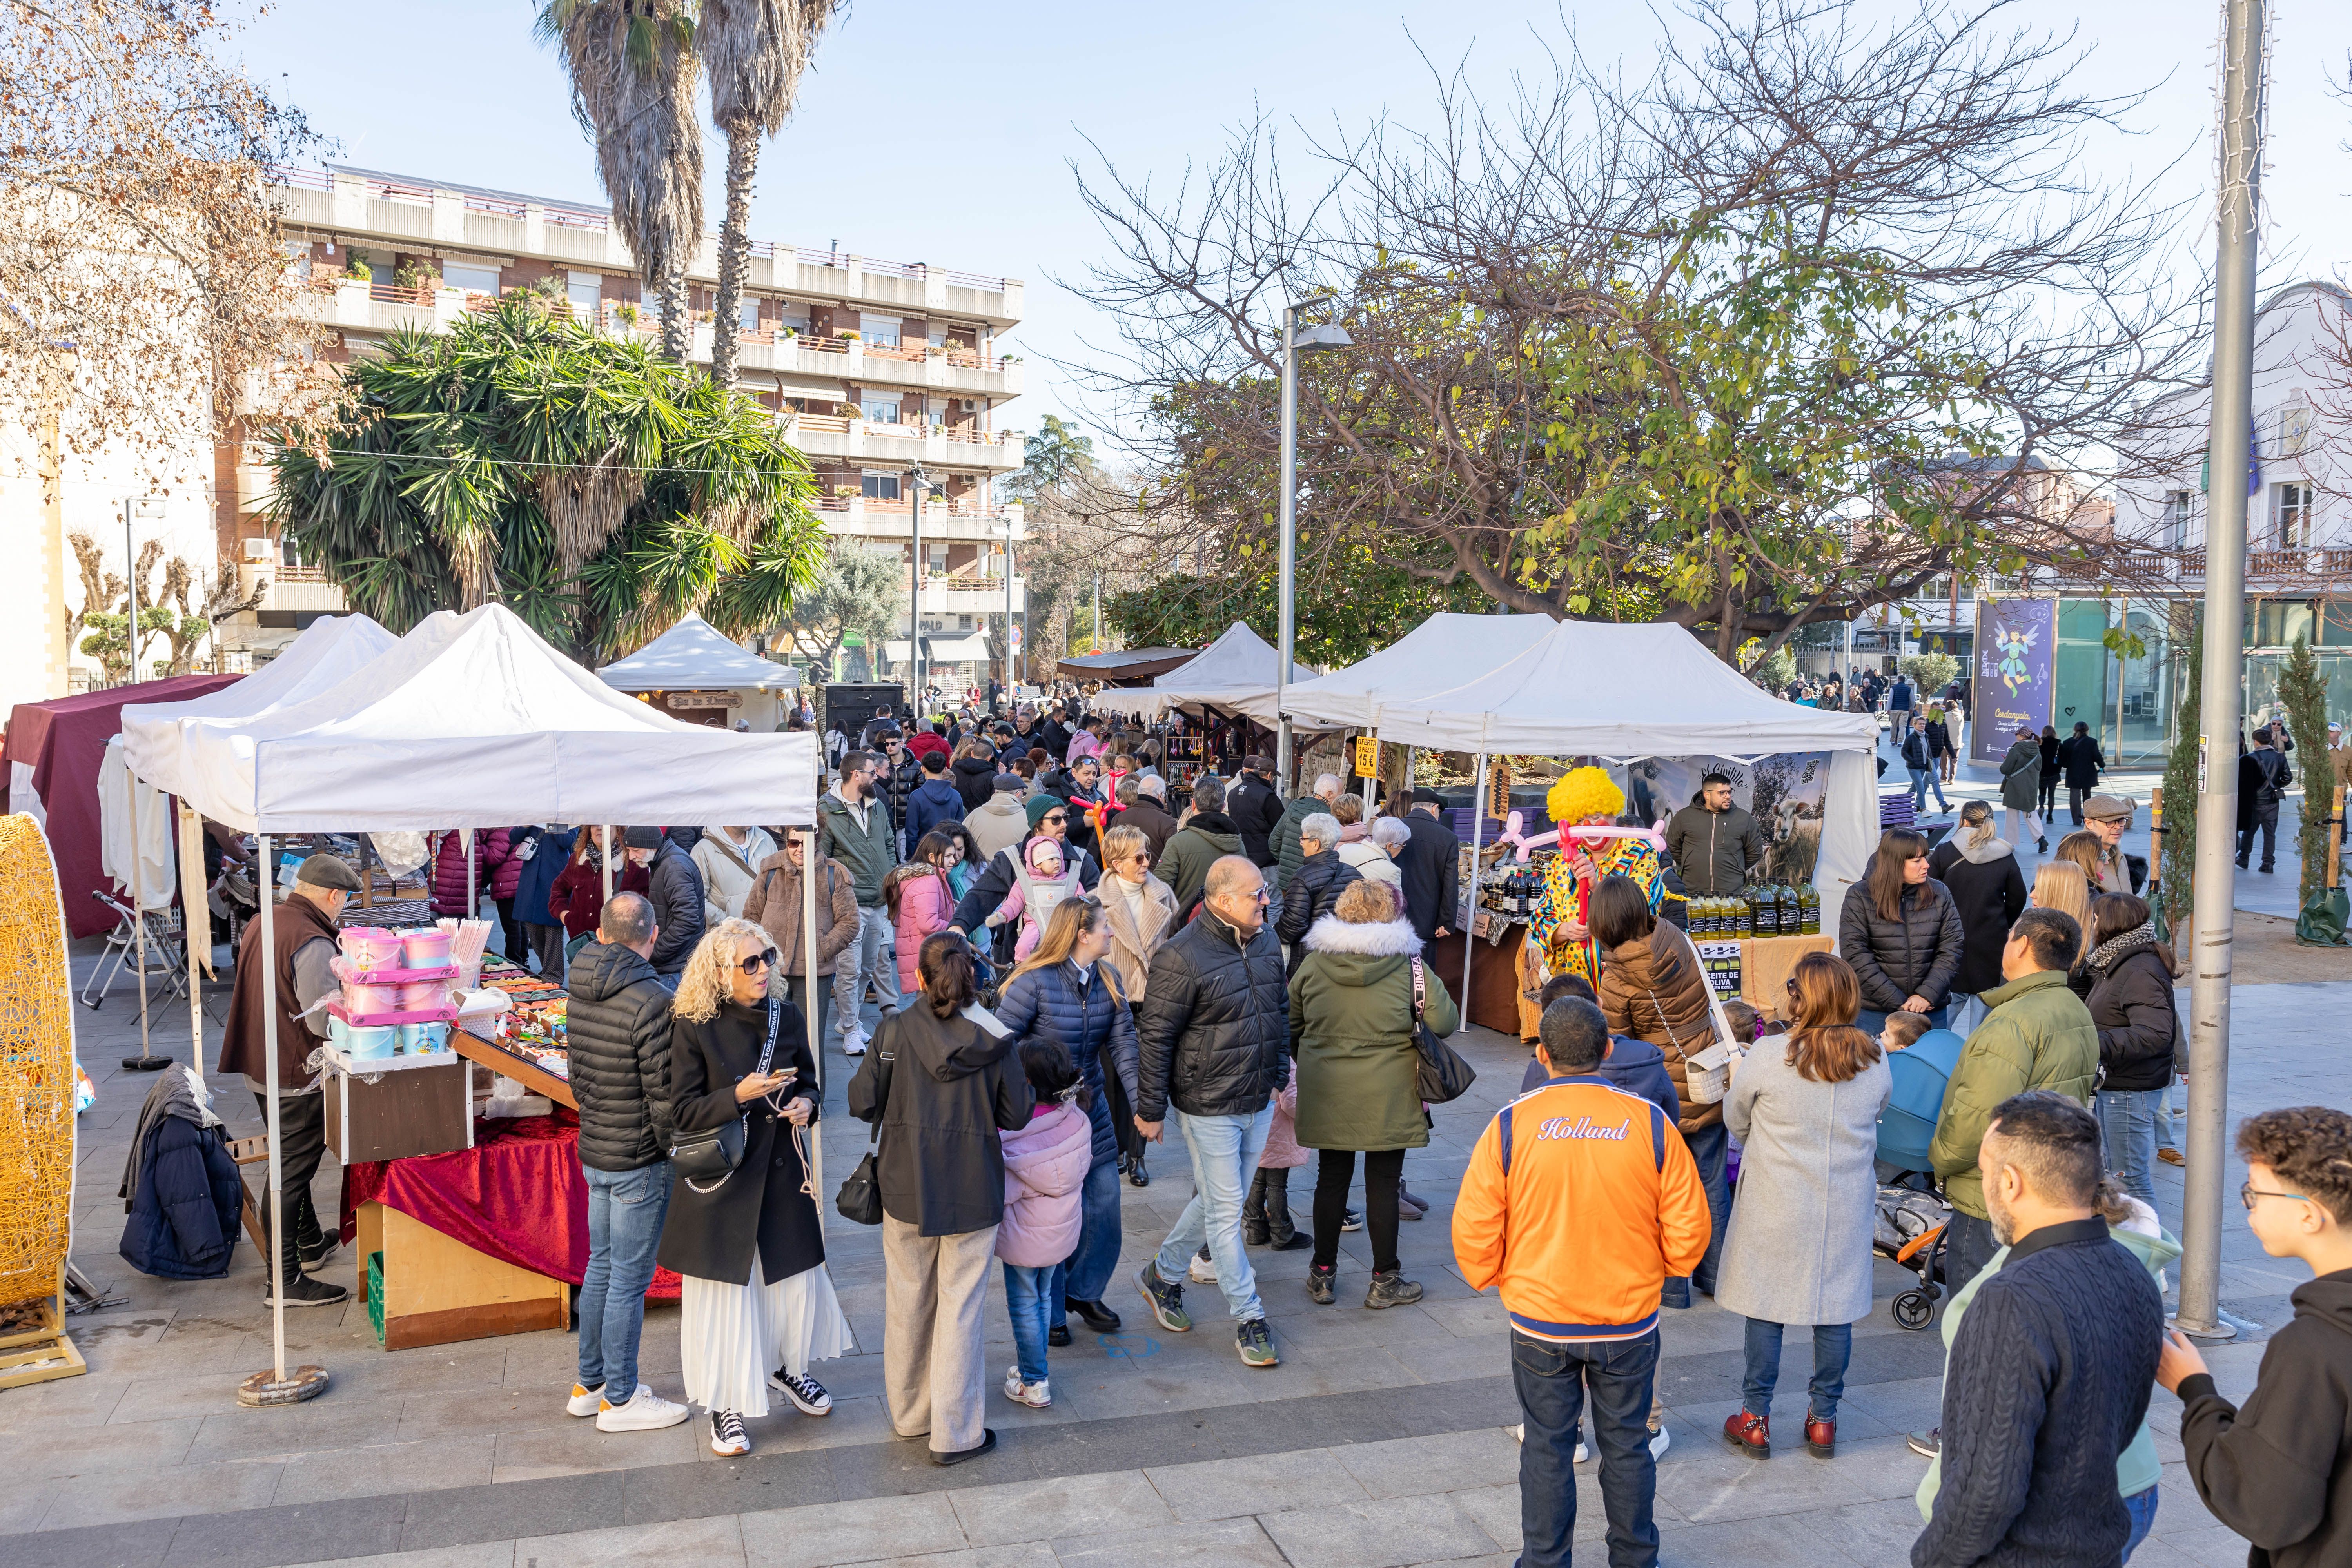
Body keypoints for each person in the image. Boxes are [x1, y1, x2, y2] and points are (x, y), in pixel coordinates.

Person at [1453, 995, 1709, 1568]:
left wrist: (1497, 1277)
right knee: (1628, 1445)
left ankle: (1544, 1561)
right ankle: (1636, 1560)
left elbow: (1474, 1226)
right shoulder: (1650, 1122)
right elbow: (1690, 1225)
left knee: (1547, 1445)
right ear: (1609, 1050)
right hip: (1628, 1320)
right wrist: (1660, 1272)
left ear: (1542, 1055)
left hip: (1540, 1316)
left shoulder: (1512, 1124)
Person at [1911, 1092, 2163, 1568]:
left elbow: (1985, 1491)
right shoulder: (2133, 1271)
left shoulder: (2011, 1298)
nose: (1985, 1185)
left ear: (2010, 1181)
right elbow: (2118, 1429)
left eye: (1985, 1172)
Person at [657, 919, 848, 1459]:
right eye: (750, 962)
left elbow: (811, 1080)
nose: (764, 969)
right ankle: (724, 1403)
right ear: (720, 972)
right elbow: (681, 1111)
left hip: (783, 1171)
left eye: (766, 957)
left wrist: (807, 1104)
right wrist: (737, 1095)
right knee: (726, 1297)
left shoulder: (785, 1015)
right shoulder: (693, 1023)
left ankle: (787, 1369)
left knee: (791, 1285)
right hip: (724, 1180)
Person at [847, 933, 1034, 1466]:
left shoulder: (892, 1030)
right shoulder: (994, 1036)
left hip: (905, 1184)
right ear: (970, 977)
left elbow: (862, 1101)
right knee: (961, 1309)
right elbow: (1017, 1113)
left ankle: (910, 1416)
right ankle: (955, 1433)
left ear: (921, 979)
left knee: (907, 1301)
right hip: (973, 1188)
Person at [2158, 1106, 2352, 1568]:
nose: (2248, 1207)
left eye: (2256, 1194)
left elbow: (2266, 1507)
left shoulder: (2314, 1346)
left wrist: (2195, 1390)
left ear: (2309, 1214)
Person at [1715, 953, 1891, 1460]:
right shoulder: (1875, 1058)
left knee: (1766, 1308)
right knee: (1835, 1311)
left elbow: (1737, 1120)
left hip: (1778, 1200)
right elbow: (1877, 1112)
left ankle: (1755, 1419)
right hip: (1844, 1203)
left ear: (1802, 998)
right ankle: (1824, 1419)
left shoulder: (1771, 1055)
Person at [1132, 856, 1289, 1370]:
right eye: (1256, 894)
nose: (1266, 900)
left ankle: (1163, 1273)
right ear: (1224, 902)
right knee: (1227, 1215)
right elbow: (1155, 1039)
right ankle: (1250, 1318)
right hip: (1207, 1106)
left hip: (1257, 1098)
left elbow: (1279, 1012)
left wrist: (1277, 1078)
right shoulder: (1180, 957)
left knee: (1227, 1200)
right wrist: (1150, 1110)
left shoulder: (1266, 942)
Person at [1291, 877, 1459, 1308]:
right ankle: (1385, 1279)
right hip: (1391, 1090)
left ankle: (1323, 1274)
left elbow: (1289, 1022)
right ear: (1392, 914)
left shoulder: (1313, 964)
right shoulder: (1411, 966)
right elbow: (1445, 1022)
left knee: (1331, 1178)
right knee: (1383, 1183)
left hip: (1328, 1087)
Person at [561, 891, 687, 1432]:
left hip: (598, 1143)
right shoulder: (653, 997)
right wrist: (670, 1147)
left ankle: (590, 1385)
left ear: (604, 931)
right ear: (653, 935)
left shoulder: (580, 980)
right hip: (638, 1153)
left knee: (603, 1268)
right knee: (627, 1279)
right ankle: (620, 1396)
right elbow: (664, 1095)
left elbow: (577, 1073)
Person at [1926, 908, 2099, 1298]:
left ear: (2020, 945)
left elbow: (1977, 1120)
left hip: (1993, 1198)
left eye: (2008, 938)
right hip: (2048, 1188)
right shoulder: (2075, 1008)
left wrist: (1938, 1156)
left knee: (1975, 1328)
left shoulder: (2010, 1022)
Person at [996, 898, 1142, 1346]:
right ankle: (1055, 1310)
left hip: (1090, 1112)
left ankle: (1084, 1292)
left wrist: (1141, 1107)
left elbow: (1125, 1048)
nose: (1112, 935)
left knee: (1104, 1205)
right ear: (1082, 934)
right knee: (1053, 1217)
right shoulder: (1033, 983)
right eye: (1106, 928)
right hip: (1040, 1121)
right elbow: (999, 1044)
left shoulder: (1109, 979)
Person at [217, 852, 360, 1308]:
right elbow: (321, 1020)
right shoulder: (312, 938)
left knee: (291, 1156)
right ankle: (284, 1280)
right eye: (345, 901)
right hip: (294, 1067)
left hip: (261, 1060)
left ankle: (311, 1242)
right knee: (292, 1168)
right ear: (333, 895)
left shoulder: (267, 918)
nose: (342, 908)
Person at [1592, 871, 1730, 1310]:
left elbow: (1616, 1048)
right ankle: (1718, 1273)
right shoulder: (1677, 938)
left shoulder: (1617, 980)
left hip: (1661, 1091)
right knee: (1710, 1180)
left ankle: (1673, 1286)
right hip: (1706, 1075)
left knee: (1663, 1189)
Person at [994, 1038, 1096, 1408]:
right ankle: (1029, 1368)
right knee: (1042, 1298)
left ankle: (1035, 1381)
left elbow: (1003, 1192)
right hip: (1061, 1231)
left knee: (1024, 1303)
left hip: (1024, 1236)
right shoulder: (1077, 1118)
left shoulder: (1015, 1138)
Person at [2082, 893, 2178, 1213]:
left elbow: (2156, 1032)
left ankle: (2149, 1257)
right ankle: (2129, 1250)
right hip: (2117, 1084)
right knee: (2118, 1175)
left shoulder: (2137, 968)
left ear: (2108, 924)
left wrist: (2094, 1042)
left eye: (2094, 919)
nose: (2091, 925)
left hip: (2130, 1089)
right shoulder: (2115, 961)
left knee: (2131, 1179)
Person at [1837, 828, 1964, 1034]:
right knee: (1878, 1066)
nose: (1927, 865)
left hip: (1931, 1010)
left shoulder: (1940, 892)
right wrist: (1900, 1003)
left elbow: (1952, 948)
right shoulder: (1859, 896)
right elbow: (1855, 954)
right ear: (1895, 863)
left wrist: (1926, 995)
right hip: (1876, 1014)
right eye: (1917, 860)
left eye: (1926, 857)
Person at [742, 829, 858, 1047]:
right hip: (773, 971)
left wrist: (821, 950)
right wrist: (762, 956)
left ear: (817, 841)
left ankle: (813, 1084)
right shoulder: (770, 870)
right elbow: (751, 916)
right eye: (794, 843)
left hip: (815, 974)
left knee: (811, 1045)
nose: (800, 848)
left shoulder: (834, 874)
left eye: (806, 842)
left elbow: (850, 922)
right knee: (772, 1041)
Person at [819, 751, 901, 1055]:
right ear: (856, 775)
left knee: (868, 968)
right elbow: (822, 858)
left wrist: (891, 875)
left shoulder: (877, 805)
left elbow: (889, 842)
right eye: (871, 772)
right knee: (850, 970)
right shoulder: (828, 810)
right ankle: (851, 1030)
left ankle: (847, 1020)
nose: (876, 776)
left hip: (879, 899)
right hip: (849, 905)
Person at [1927, 802, 2027, 1034]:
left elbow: (1928, 893)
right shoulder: (2004, 855)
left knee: (1942, 1022)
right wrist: (2004, 923)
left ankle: (1937, 1061)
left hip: (1950, 942)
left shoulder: (1945, 852)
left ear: (1964, 821)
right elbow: (2018, 897)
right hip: (1991, 942)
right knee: (1983, 1026)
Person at [1097, 823, 1179, 1005]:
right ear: (1118, 865)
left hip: (1161, 1000)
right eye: (1139, 858)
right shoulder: (1095, 904)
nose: (1147, 863)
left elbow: (1179, 942)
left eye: (1147, 856)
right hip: (1114, 1002)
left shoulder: (1164, 894)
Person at [1275, 812, 1363, 978]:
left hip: (1310, 957)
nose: (1301, 843)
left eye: (1304, 839)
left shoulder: (1303, 877)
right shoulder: (1355, 874)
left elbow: (1293, 925)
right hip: (1346, 954)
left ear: (1316, 844)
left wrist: (1275, 933)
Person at [550, 826, 650, 965]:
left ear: (618, 830)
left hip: (619, 948)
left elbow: (646, 904)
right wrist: (564, 915)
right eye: (594, 824)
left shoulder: (633, 864)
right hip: (582, 945)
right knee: (582, 986)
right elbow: (558, 888)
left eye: (605, 825)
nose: (599, 828)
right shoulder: (577, 860)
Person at [623, 826, 706, 984]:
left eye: (635, 850)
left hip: (675, 967)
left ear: (652, 846)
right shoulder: (663, 862)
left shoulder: (674, 867)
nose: (631, 857)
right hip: (673, 963)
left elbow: (687, 921)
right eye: (629, 850)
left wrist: (654, 951)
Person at [886, 831, 963, 1000]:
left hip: (922, 954)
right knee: (929, 1007)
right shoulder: (928, 880)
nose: (954, 860)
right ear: (932, 857)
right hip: (928, 958)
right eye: (949, 856)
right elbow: (928, 924)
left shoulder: (924, 877)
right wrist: (954, 927)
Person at [1663, 773, 1766, 896]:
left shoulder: (1744, 818)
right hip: (1693, 892)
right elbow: (1672, 846)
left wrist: (1735, 865)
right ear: (1707, 795)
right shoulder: (1684, 817)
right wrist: (1690, 861)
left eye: (1729, 792)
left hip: (1732, 893)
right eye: (1722, 793)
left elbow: (1755, 852)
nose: (1728, 797)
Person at [1157, 774, 1244, 918]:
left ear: (1193, 804)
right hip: (1225, 924)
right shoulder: (1238, 844)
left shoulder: (1178, 842)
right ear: (1223, 807)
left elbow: (1160, 890)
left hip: (1184, 925)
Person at [1394, 788, 1465, 949]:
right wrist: (1446, 922)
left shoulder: (1393, 829)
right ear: (1434, 809)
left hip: (1394, 917)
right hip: (1428, 921)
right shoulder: (1448, 837)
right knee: (1423, 973)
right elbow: (1450, 885)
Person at [512, 824, 576, 978]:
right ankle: (546, 971)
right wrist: (525, 825)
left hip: (554, 878)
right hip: (531, 879)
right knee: (533, 929)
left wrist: (552, 824)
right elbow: (513, 838)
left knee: (552, 928)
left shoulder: (569, 818)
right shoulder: (534, 815)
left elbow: (567, 841)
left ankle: (554, 974)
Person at [2027, 860, 2095, 1002]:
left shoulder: (2094, 942)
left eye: (2040, 889)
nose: (2032, 894)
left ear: (2058, 894)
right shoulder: (2034, 928)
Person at [691, 824, 777, 925]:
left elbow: (779, 885)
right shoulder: (703, 850)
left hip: (766, 934)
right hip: (729, 937)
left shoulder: (765, 839)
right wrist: (727, 922)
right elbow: (696, 900)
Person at [1272, 772, 1345, 889]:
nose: (1341, 799)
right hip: (1313, 883)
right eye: (1340, 795)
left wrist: (1287, 864)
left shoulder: (1293, 806)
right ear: (1330, 795)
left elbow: (1274, 843)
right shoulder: (1328, 818)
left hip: (1287, 882)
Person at [2238, 724, 2293, 873]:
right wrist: (2276, 786)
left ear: (2256, 742)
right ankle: (2268, 863)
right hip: (2272, 801)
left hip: (2254, 801)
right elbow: (2288, 777)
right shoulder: (2280, 757)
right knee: (2270, 834)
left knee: (2249, 832)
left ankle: (2244, 858)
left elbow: (2243, 783)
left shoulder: (2249, 758)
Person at [429, 826, 509, 922]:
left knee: (450, 925)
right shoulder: (479, 829)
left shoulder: (452, 825)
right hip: (467, 881)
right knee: (462, 925)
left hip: (450, 882)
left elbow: (431, 845)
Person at [1226, 754, 1285, 871]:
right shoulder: (1268, 797)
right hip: (1265, 862)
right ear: (1269, 775)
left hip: (1240, 858)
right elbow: (1281, 829)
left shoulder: (1233, 792)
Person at [1998, 725, 2049, 853]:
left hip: (2015, 786)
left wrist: (2008, 762)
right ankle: (2041, 838)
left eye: (2017, 734)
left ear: (2021, 736)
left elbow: (2005, 769)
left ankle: (2010, 842)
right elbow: (2039, 769)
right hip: (2030, 786)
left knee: (2012, 814)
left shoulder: (2017, 749)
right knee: (2030, 813)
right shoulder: (2037, 750)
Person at [902, 751, 966, 853]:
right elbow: (960, 828)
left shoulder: (917, 797)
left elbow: (911, 833)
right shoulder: (956, 796)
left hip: (924, 853)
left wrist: (911, 857)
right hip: (949, 854)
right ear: (945, 770)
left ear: (923, 769)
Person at [965, 771, 1030, 864]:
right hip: (1014, 875)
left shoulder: (975, 815)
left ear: (996, 792)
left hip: (980, 873)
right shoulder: (1028, 818)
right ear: (1018, 794)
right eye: (1023, 794)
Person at [1114, 775, 1180, 863]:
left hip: (1123, 874)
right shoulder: (1168, 822)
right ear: (1160, 796)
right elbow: (1172, 860)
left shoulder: (1119, 817)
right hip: (1152, 875)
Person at [2078, 795, 2136, 893]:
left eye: (2121, 821)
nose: (2118, 827)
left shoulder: (2119, 855)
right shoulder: (2080, 860)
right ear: (2089, 824)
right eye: (2110, 822)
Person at [2056, 720, 2105, 827]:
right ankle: (2087, 817)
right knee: (2087, 796)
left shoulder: (2068, 742)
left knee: (2074, 796)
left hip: (2073, 773)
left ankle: (2076, 820)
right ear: (2087, 730)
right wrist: (2102, 765)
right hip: (2088, 772)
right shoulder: (2092, 742)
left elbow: (2063, 760)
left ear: (2075, 729)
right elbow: (2097, 756)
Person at [1902, 715, 1951, 814]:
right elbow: (1904, 752)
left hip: (1925, 765)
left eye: (1924, 724)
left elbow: (1928, 751)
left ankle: (1903, 804)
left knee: (1915, 787)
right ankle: (1923, 809)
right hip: (1914, 767)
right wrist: (1913, 761)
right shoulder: (1910, 738)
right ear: (1914, 725)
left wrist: (1929, 760)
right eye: (1920, 724)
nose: (1922, 726)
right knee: (1920, 787)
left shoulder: (1926, 737)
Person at [2036, 722, 2063, 820]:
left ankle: (2041, 807)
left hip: (2041, 772)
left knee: (2042, 793)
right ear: (2054, 733)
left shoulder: (2039, 743)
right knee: (2052, 794)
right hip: (2054, 772)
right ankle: (2050, 816)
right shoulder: (2058, 744)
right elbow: (2062, 759)